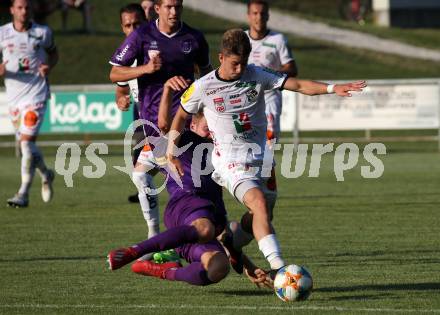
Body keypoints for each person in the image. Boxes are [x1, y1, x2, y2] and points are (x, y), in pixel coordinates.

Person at [166, 29, 366, 275]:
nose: (240, 69)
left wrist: (333, 88)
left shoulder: (257, 75)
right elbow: (180, 117)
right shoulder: (203, 87)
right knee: (259, 204)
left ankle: (231, 241)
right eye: (234, 64)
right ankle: (281, 270)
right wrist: (171, 152)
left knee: (262, 215)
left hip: (261, 158)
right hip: (231, 162)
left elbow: (299, 85)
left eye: (244, 63)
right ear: (221, 57)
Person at [108, 111, 270, 287]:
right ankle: (133, 251)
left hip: (207, 217)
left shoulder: (221, 154)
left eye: (215, 130)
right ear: (192, 126)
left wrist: (249, 266)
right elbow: (162, 124)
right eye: (207, 128)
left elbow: (224, 237)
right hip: (184, 205)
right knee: (207, 229)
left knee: (218, 267)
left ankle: (164, 271)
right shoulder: (181, 140)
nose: (211, 133)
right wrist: (169, 89)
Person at [109, 0, 212, 255]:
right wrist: (147, 68)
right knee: (142, 175)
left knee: (189, 187)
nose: (173, 11)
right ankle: (155, 236)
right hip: (154, 127)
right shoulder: (142, 36)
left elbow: (209, 75)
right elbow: (114, 74)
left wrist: (207, 112)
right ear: (157, 9)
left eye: (177, 6)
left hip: (185, 128)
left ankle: (200, 239)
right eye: (168, 6)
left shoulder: (194, 38)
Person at [1, 0, 58, 208]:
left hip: (37, 95)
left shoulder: (43, 32)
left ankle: (23, 193)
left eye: (27, 7)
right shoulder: (2, 33)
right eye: (19, 7)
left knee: (26, 143)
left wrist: (48, 66)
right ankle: (46, 173)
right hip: (14, 99)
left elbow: (54, 54)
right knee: (28, 146)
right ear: (12, 10)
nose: (24, 11)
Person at [246, 0, 298, 144]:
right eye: (255, 13)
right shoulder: (242, 39)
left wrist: (268, 74)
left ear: (268, 16)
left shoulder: (278, 39)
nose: (259, 17)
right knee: (246, 142)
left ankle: (269, 165)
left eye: (262, 13)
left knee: (270, 141)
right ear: (248, 16)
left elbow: (292, 69)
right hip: (245, 98)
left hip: (270, 96)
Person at [113, 3, 146, 204]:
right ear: (122, 27)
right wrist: (121, 100)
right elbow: (121, 90)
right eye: (128, 26)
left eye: (137, 24)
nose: (133, 30)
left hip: (170, 109)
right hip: (141, 110)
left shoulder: (159, 46)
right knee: (138, 162)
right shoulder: (124, 55)